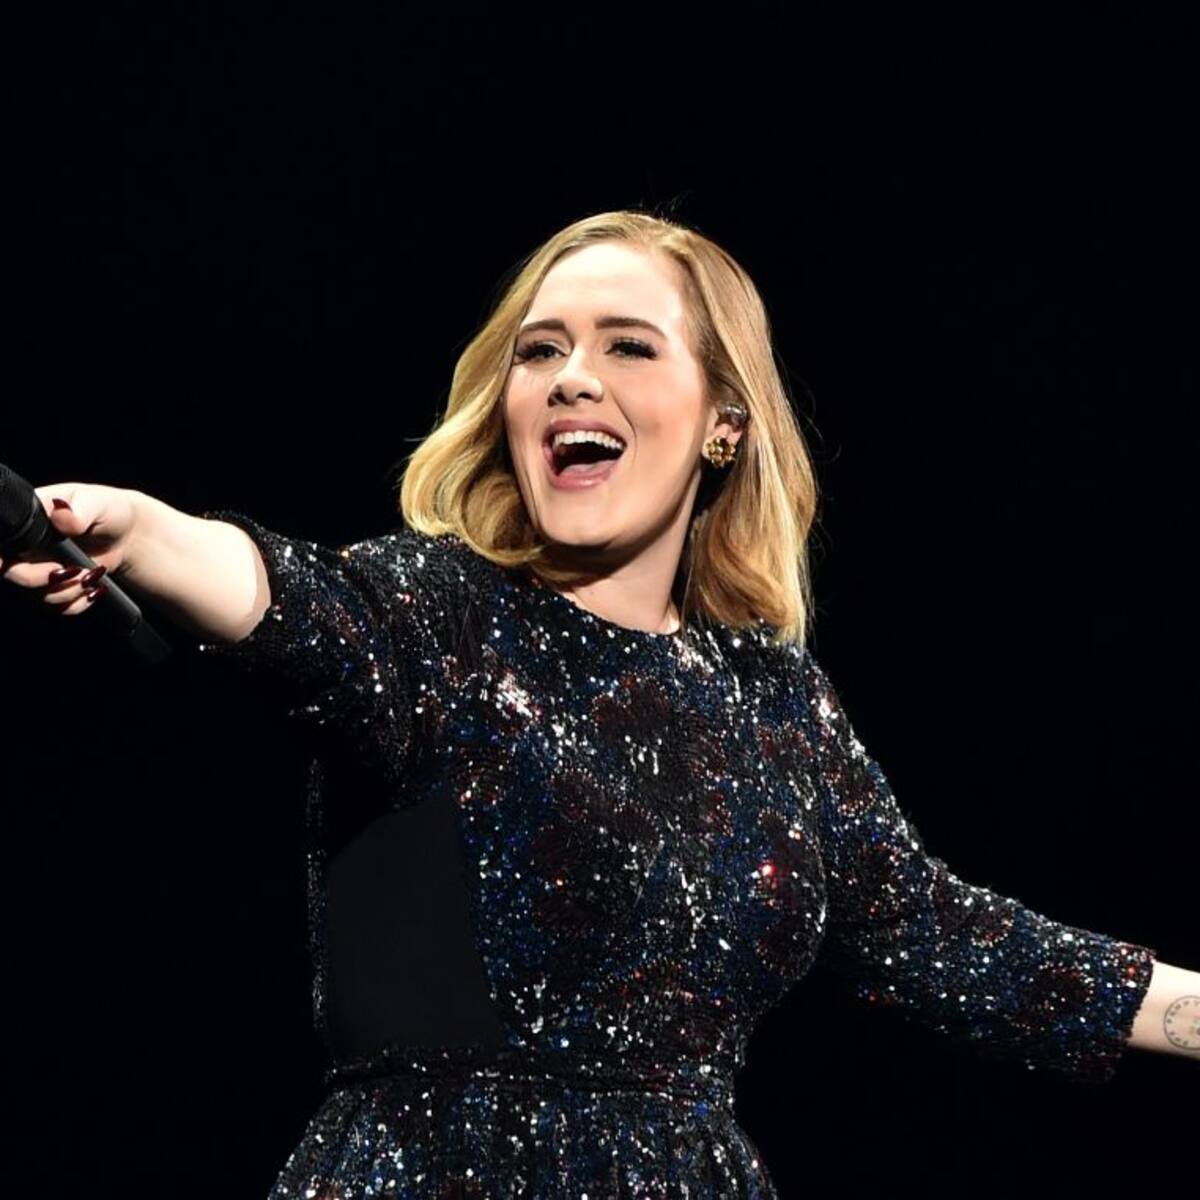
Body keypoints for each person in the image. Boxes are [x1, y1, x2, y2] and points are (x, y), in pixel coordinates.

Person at [4, 210, 1195, 1198]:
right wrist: (141, 533)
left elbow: (948, 939)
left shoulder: (775, 702)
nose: (574, 375)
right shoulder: (441, 615)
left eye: (629, 346)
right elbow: (291, 601)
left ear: (724, 424)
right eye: (541, 351)